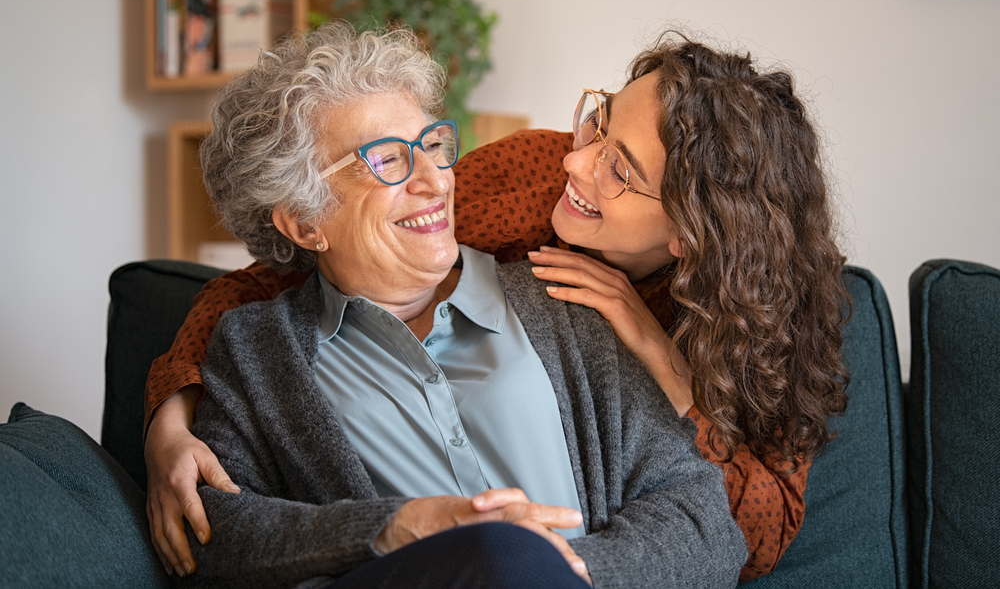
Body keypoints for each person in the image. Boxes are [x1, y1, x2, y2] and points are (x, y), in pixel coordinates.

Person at [144, 28, 849, 582]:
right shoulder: (530, 186)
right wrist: (169, 421)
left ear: (691, 236)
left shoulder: (586, 312)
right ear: (304, 218)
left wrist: (555, 571)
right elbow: (221, 529)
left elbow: (727, 528)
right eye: (388, 159)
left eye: (431, 147)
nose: (434, 179)